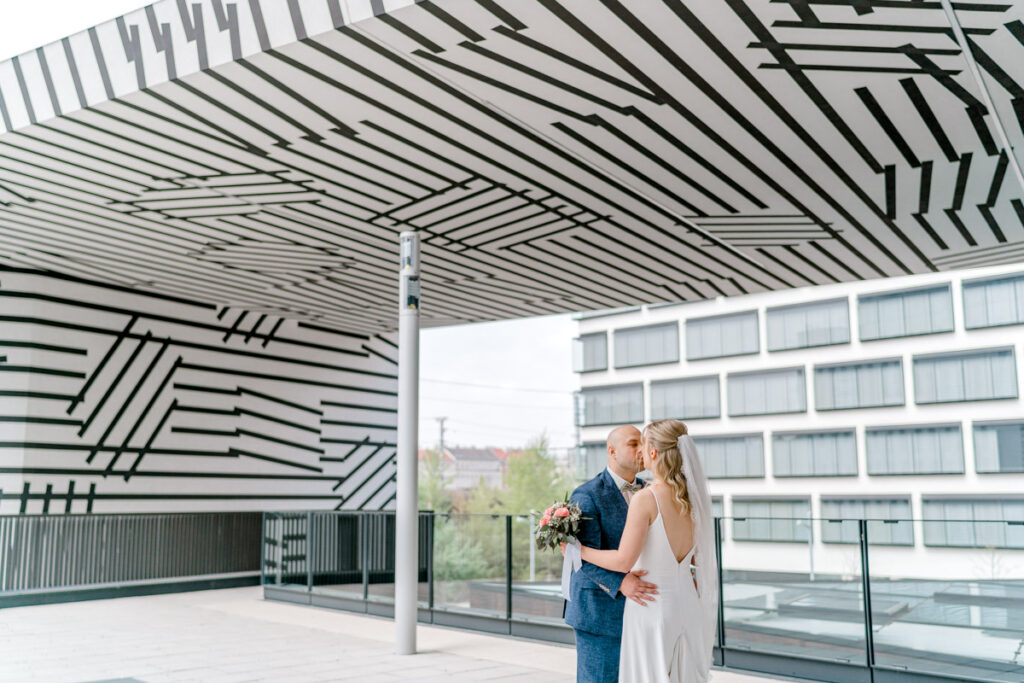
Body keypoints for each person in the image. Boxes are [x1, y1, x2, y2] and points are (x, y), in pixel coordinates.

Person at [579, 419, 719, 683]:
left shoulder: (646, 498)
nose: (640, 451)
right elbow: (697, 560)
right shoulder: (692, 499)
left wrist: (579, 550)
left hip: (651, 605)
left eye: (642, 444)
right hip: (687, 604)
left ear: (653, 452)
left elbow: (623, 561)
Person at [565, 425, 660, 683]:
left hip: (644, 607)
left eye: (643, 443)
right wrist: (621, 582)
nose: (641, 449)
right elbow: (579, 555)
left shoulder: (651, 492)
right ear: (612, 451)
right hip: (599, 611)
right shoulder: (587, 495)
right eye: (633, 444)